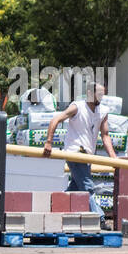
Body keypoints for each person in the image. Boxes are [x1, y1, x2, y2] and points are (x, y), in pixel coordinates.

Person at [42, 82, 117, 218]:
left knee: (75, 189)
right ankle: (99, 217)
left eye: (103, 94)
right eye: (99, 94)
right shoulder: (77, 107)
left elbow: (105, 135)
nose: (101, 97)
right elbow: (55, 119)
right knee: (87, 187)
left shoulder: (102, 111)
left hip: (87, 156)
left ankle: (52, 209)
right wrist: (48, 142)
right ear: (89, 93)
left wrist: (113, 158)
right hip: (75, 153)